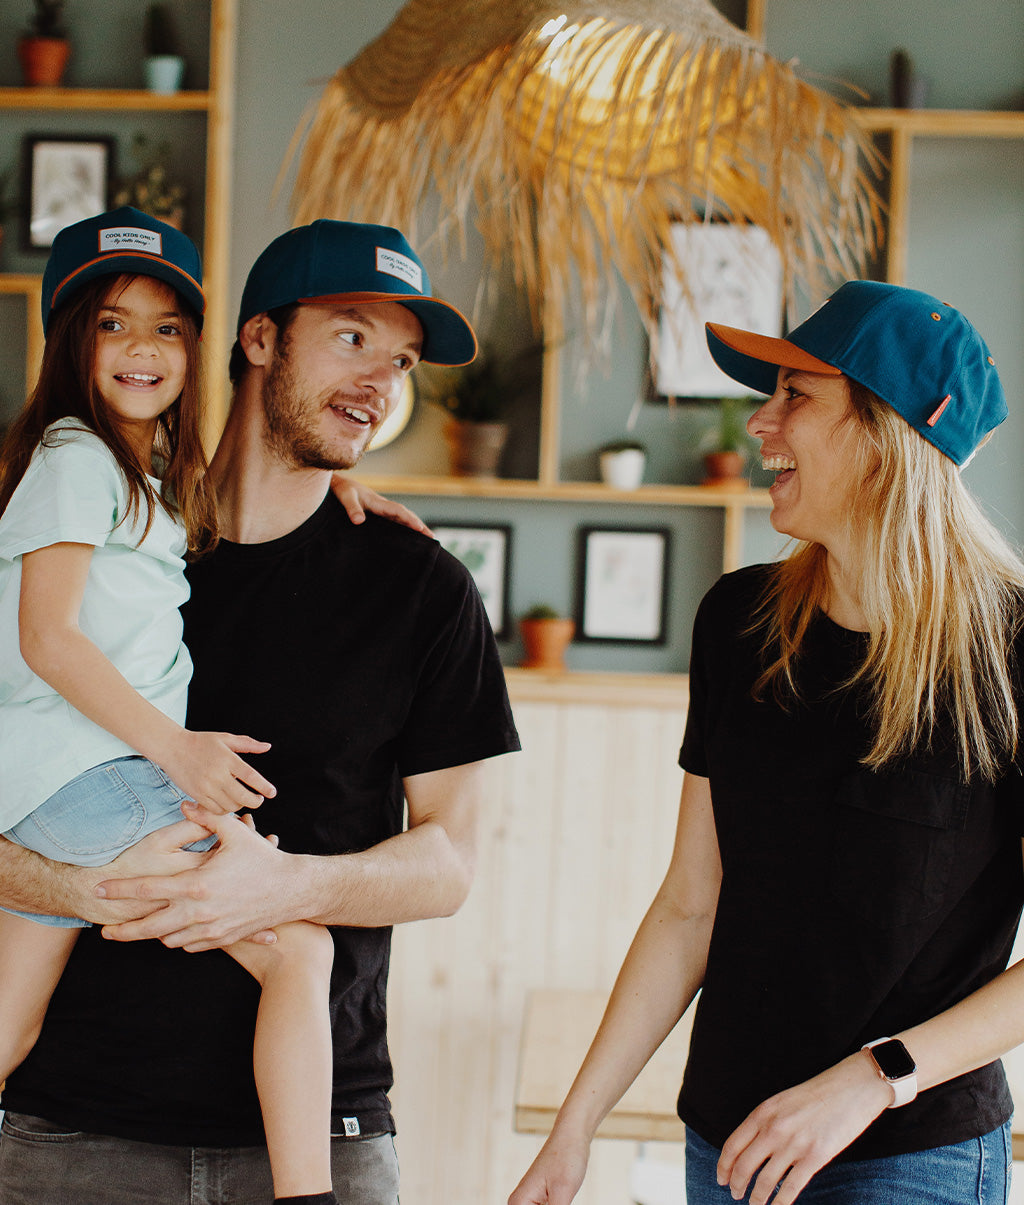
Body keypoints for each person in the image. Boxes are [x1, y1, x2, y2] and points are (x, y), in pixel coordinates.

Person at [0, 218, 520, 1205]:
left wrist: (283, 887)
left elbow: (449, 865)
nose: (380, 380)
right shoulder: (112, 539)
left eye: (401, 359)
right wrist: (79, 885)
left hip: (326, 1139)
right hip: (71, 1134)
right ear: (258, 339)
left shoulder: (420, 586)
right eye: (352, 338)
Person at [509, 281, 1024, 1205]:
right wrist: (575, 1125)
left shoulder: (1010, 650)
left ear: (887, 433)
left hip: (915, 1159)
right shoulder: (739, 620)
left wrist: (874, 1076)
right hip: (727, 1146)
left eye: (796, 395)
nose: (759, 423)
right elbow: (688, 908)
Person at [0, 205, 345, 1205]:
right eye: (112, 323)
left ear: (199, 347)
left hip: (50, 783)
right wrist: (180, 752)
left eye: (165, 327)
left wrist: (362, 495)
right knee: (301, 948)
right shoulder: (75, 456)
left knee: (11, 1025)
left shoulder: (132, 466)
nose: (141, 348)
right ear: (70, 341)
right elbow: (47, 635)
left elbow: (263, 485)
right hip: (96, 773)